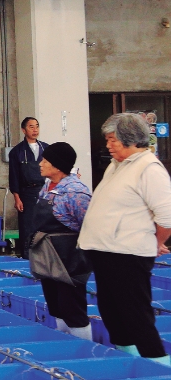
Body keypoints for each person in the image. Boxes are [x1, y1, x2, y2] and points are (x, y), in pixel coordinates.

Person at [79, 113, 171, 364]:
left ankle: (158, 363)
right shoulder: (116, 165)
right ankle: (128, 358)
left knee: (135, 312)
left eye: (113, 140)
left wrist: (154, 242)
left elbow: (166, 217)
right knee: (111, 310)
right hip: (105, 251)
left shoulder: (149, 168)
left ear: (130, 140)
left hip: (129, 253)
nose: (108, 145)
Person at [31, 143, 93, 340]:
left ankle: (84, 352)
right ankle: (65, 345)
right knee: (56, 307)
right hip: (48, 257)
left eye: (45, 161)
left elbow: (90, 226)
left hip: (69, 261)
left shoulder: (76, 192)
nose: (40, 164)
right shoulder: (47, 186)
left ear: (58, 166)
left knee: (73, 309)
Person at [9, 117, 48, 257]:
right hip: (27, 193)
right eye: (31, 127)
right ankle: (27, 256)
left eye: (37, 126)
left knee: (44, 224)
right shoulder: (17, 152)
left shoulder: (46, 148)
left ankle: (44, 255)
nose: (35, 129)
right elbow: (14, 176)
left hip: (44, 191)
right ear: (23, 130)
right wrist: (17, 198)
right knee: (27, 226)